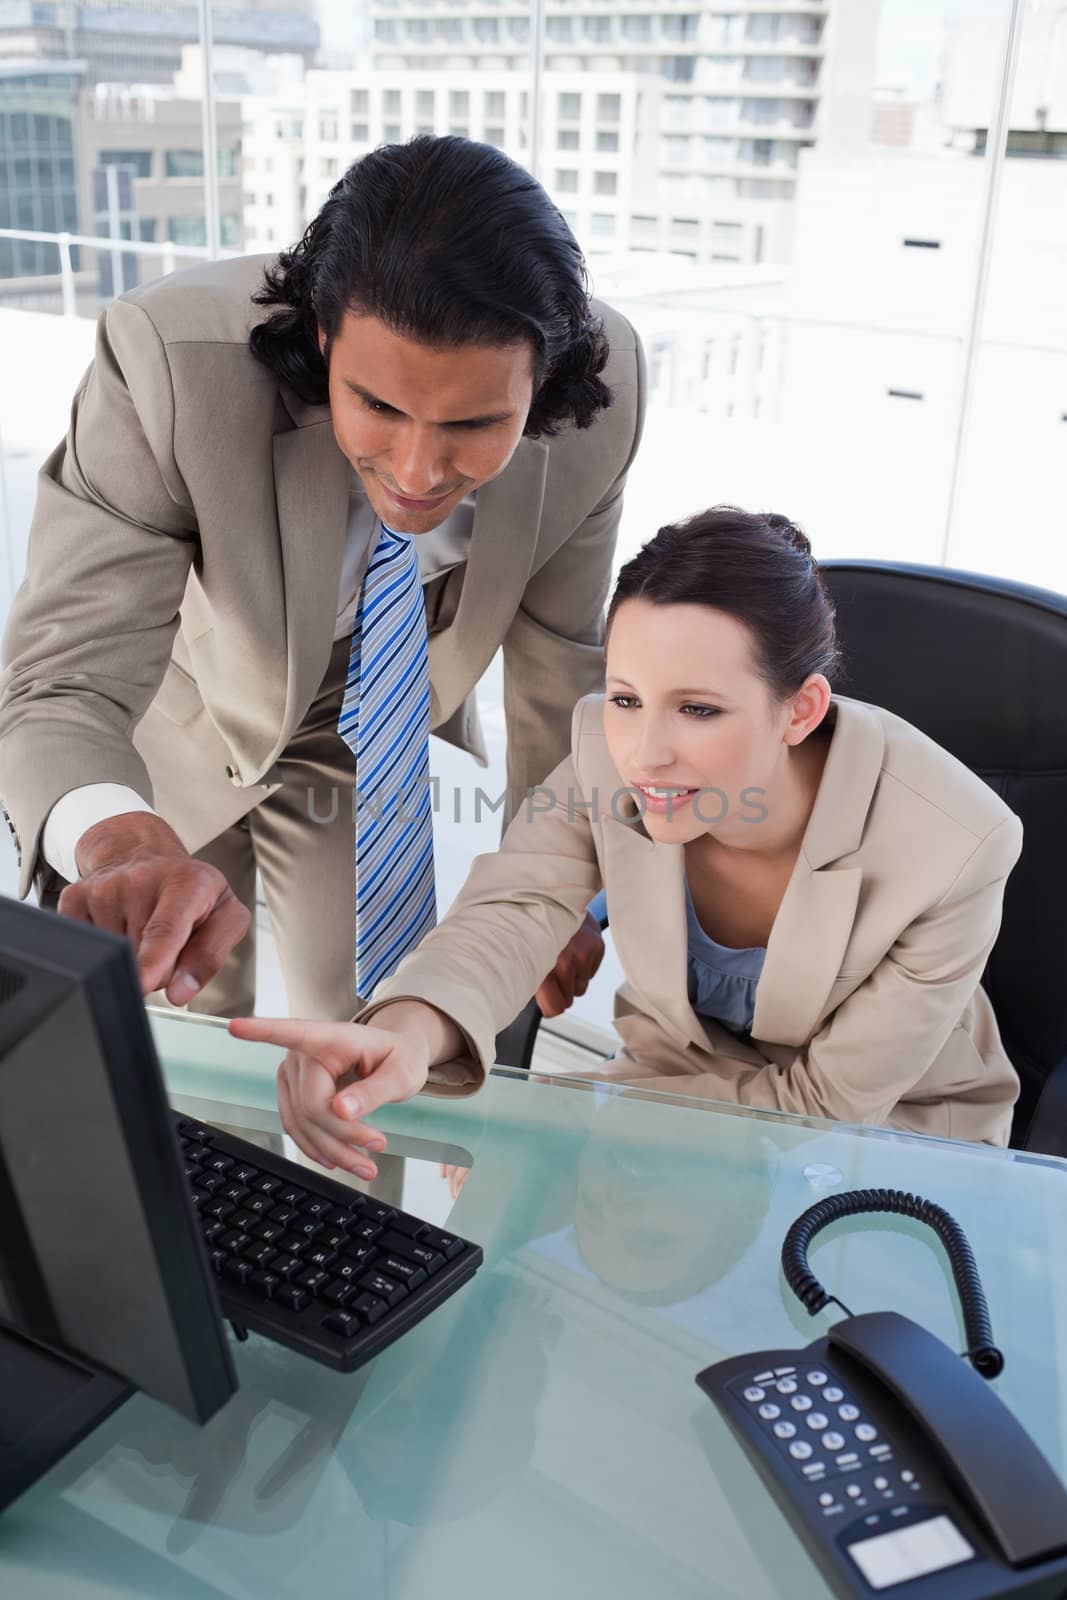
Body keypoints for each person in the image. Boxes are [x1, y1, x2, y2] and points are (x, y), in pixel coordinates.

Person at [0, 136, 644, 1019]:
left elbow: (558, 672)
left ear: (545, 380)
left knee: (359, 1032)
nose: (419, 471)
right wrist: (119, 846)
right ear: (320, 334)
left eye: (475, 421)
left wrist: (542, 888)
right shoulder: (166, 361)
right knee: (171, 1029)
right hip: (173, 710)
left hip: (364, 723)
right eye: (378, 406)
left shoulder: (607, 397)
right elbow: (63, 677)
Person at [231, 506, 1023, 1163]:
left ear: (800, 710)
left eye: (699, 709)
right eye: (624, 696)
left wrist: (582, 1121)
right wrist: (409, 1029)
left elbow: (820, 1107)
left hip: (891, 1135)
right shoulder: (604, 751)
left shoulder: (955, 844)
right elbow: (514, 908)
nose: (644, 752)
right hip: (668, 1087)